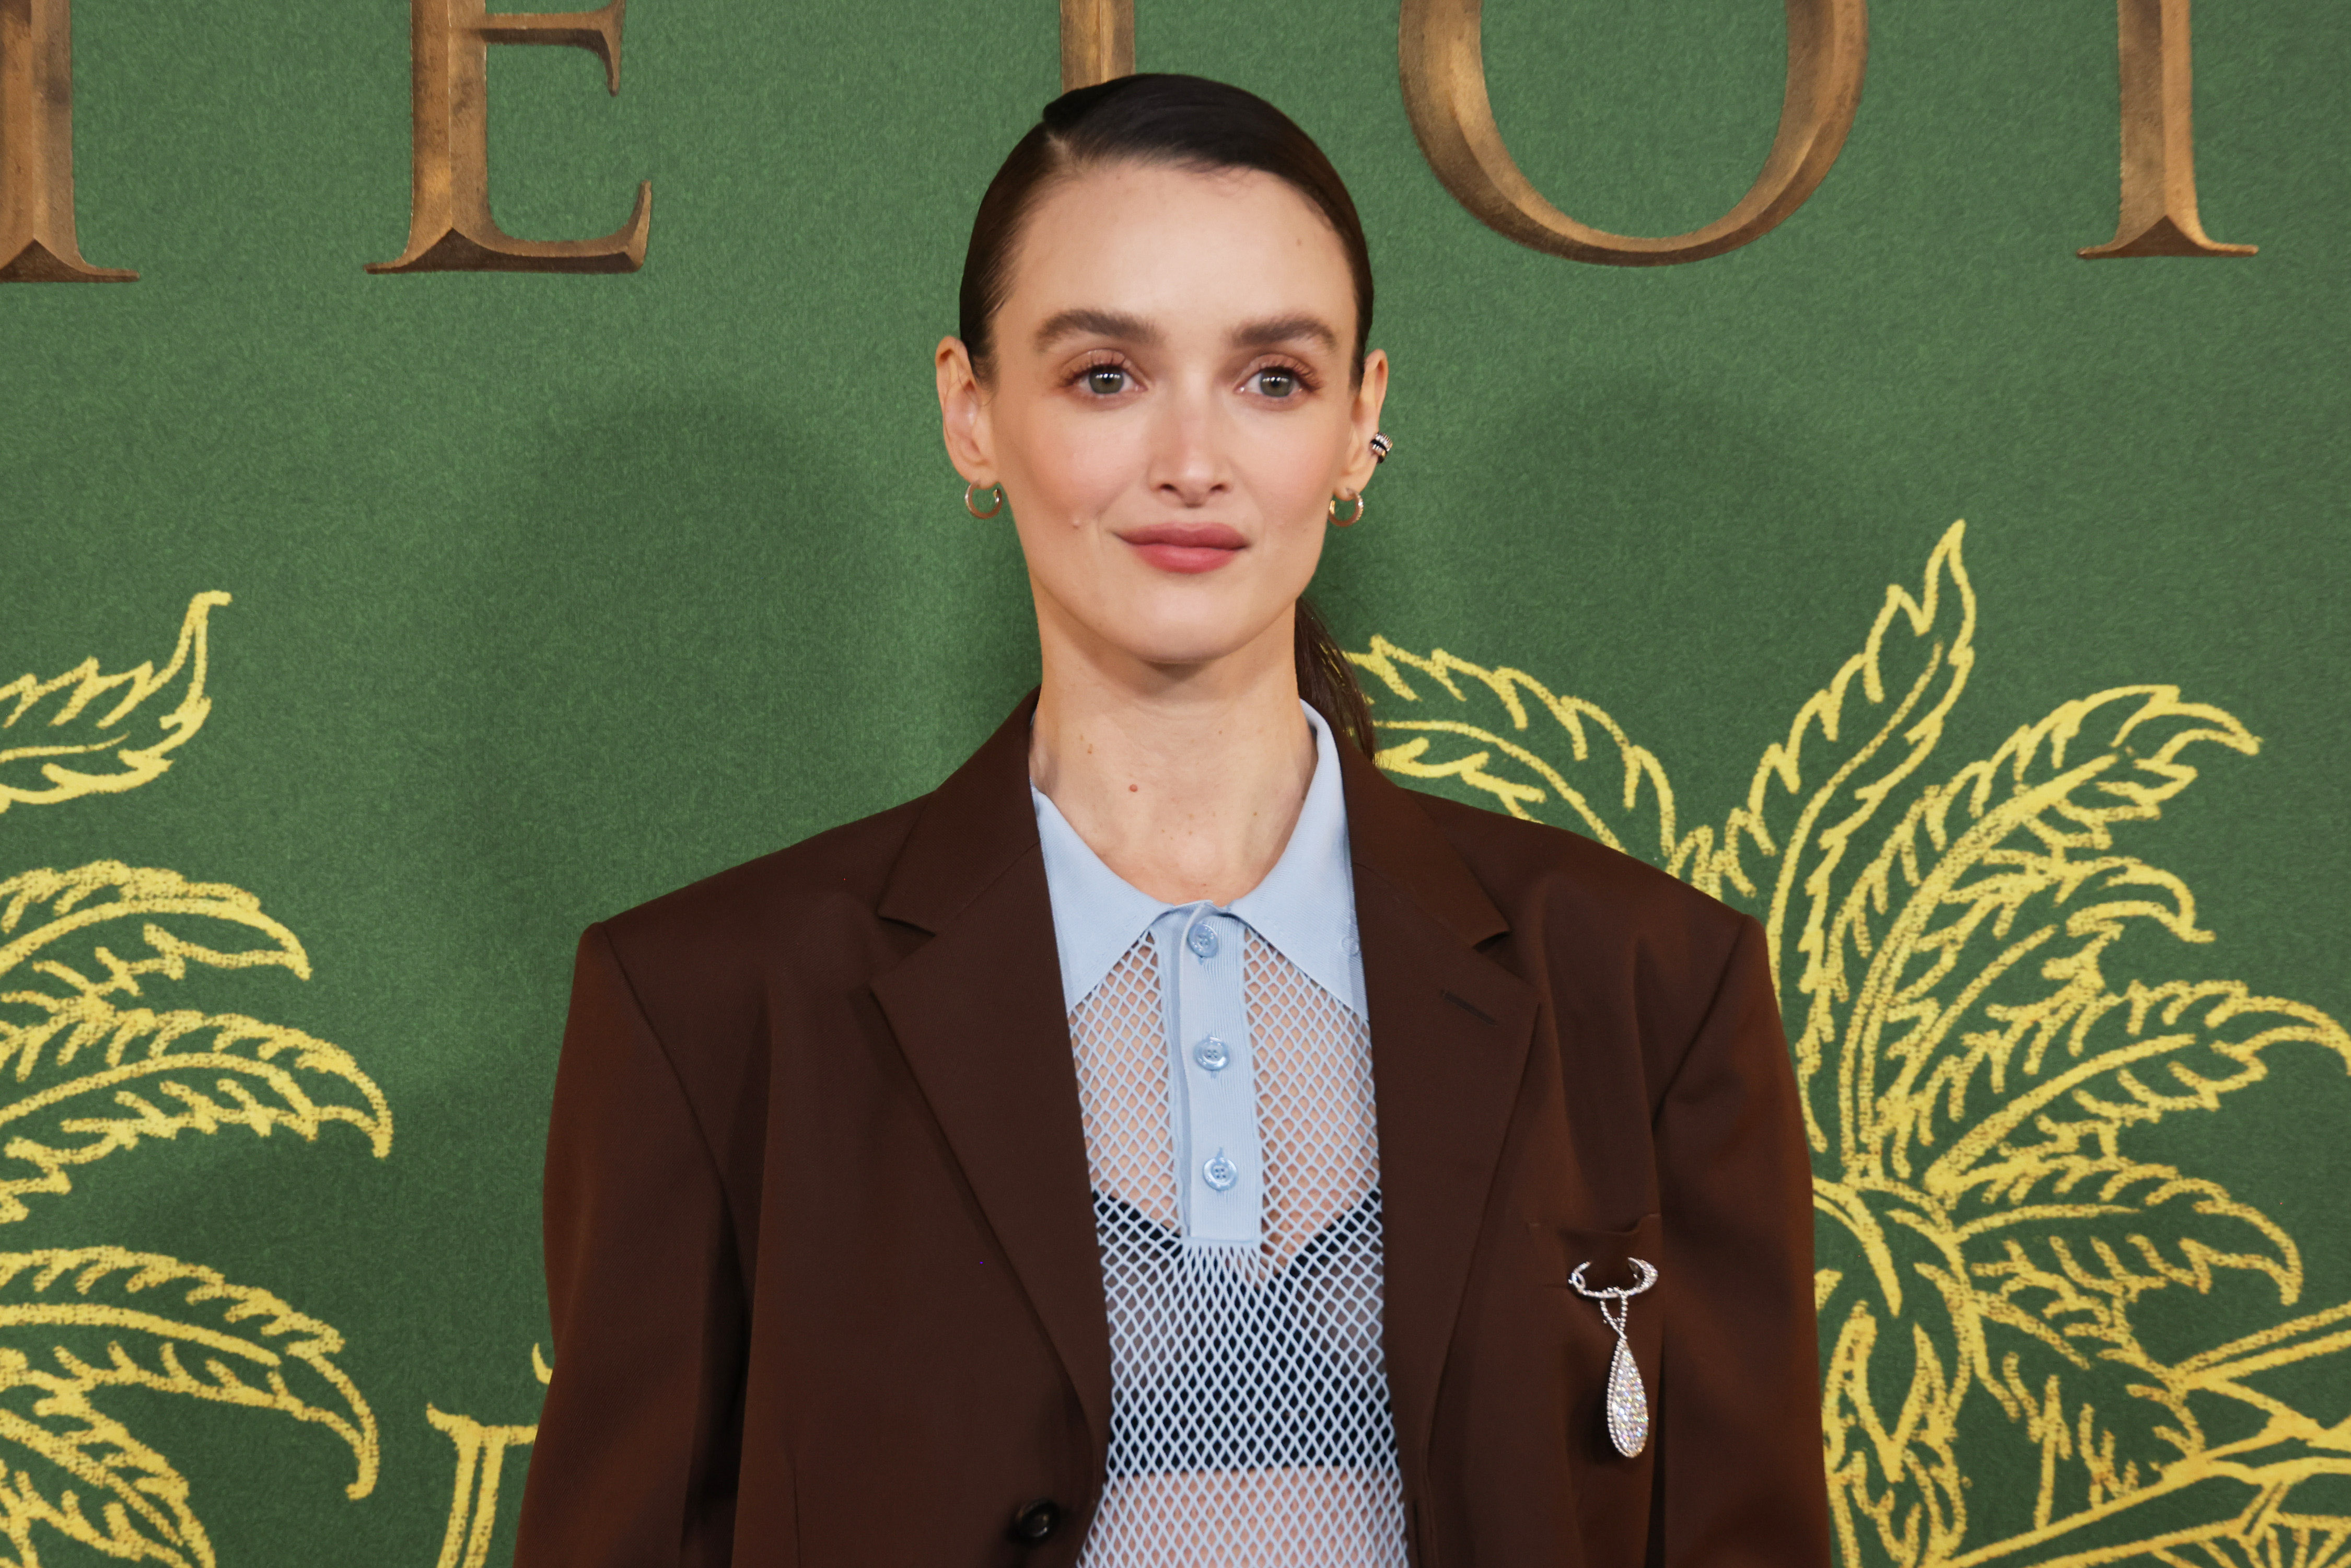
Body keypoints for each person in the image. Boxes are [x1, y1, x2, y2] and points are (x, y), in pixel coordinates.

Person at [514, 74, 1828, 1568]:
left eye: (1272, 378)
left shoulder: (1650, 985)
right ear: (969, 411)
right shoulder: (711, 1011)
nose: (1191, 462)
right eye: (1105, 376)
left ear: (1359, 424)